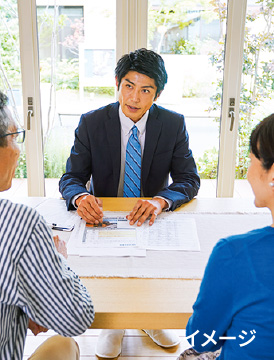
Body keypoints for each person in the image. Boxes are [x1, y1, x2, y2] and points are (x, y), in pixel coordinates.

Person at [59, 48, 200, 358]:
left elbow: (189, 180)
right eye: (128, 86)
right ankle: (115, 323)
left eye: (145, 89)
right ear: (117, 84)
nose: (134, 97)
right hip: (106, 216)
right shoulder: (92, 122)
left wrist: (162, 200)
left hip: (151, 215)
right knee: (112, 266)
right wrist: (81, 196)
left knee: (152, 266)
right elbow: (70, 178)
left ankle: (147, 317)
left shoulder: (173, 124)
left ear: (157, 94)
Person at [0, 91, 94, 360]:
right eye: (14, 137)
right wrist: (57, 260)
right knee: (65, 344)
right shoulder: (20, 223)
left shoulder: (172, 123)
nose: (18, 150)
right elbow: (75, 319)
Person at [179, 114, 274, 360]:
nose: (249, 173)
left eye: (251, 160)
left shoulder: (235, 254)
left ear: (272, 173)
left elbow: (200, 338)